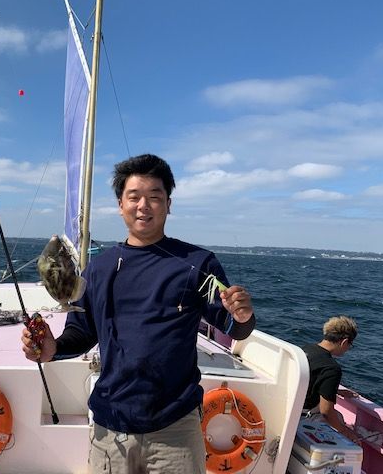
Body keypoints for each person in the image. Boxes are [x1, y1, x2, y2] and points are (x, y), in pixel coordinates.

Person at [22, 153, 255, 473]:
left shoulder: (198, 263)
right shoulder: (98, 269)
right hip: (110, 427)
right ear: (121, 205)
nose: (144, 205)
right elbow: (82, 332)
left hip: (175, 427)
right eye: (134, 197)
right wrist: (53, 348)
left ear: (168, 204)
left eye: (154, 197)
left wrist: (242, 317)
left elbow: (231, 326)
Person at [302, 315, 358, 442]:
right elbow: (326, 411)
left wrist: (335, 391)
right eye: (350, 345)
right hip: (303, 416)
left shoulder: (305, 349)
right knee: (339, 420)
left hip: (289, 405)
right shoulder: (331, 368)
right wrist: (346, 432)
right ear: (344, 342)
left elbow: (310, 378)